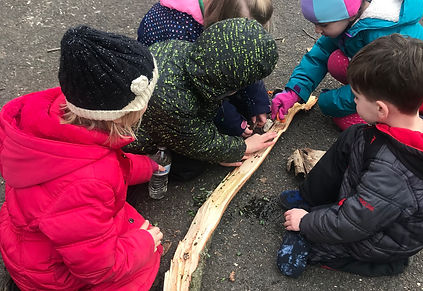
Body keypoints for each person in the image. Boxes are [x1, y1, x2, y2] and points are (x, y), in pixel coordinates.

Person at [276, 34, 423, 279]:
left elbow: (351, 223)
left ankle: (382, 263)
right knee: (355, 135)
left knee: (328, 237)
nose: (353, 101)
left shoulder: (393, 175)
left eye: (356, 97)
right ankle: (309, 197)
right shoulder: (420, 122)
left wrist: (307, 223)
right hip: (378, 204)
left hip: (382, 236)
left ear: (380, 109)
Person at [0, 25, 164, 290]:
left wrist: (148, 167)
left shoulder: (54, 118)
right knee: (144, 267)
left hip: (32, 240)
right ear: (124, 113)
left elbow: (108, 165)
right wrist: (144, 243)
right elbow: (99, 270)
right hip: (50, 274)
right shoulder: (91, 182)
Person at [126, 18, 278, 180]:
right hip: (134, 136)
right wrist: (240, 148)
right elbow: (199, 143)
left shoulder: (188, 51)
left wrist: (257, 103)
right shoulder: (177, 103)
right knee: (190, 167)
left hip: (166, 116)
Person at [271, 0, 423, 131]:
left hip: (396, 85)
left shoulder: (381, 37)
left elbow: (376, 83)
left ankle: (392, 125)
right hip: (376, 75)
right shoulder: (347, 21)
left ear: (350, 14)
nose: (317, 30)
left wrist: (330, 101)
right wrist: (294, 91)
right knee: (334, 60)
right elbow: (318, 56)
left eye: (323, 25)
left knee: (343, 120)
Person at [137, 0, 274, 139]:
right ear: (222, 25)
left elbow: (241, 63)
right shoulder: (180, 30)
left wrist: (257, 101)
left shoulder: (219, 15)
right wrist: (230, 120)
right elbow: (201, 89)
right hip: (168, 92)